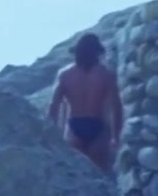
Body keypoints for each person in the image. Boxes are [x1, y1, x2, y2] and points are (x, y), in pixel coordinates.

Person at [47, 33, 123, 174]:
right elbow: (116, 107)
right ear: (97, 52)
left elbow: (54, 105)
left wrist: (52, 134)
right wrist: (116, 136)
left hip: (74, 126)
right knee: (100, 173)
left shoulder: (65, 74)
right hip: (98, 126)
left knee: (77, 173)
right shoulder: (106, 74)